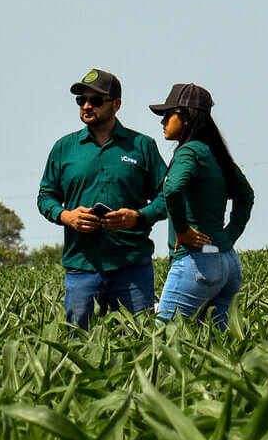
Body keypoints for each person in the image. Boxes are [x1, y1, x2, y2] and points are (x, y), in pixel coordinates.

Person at [36, 69, 169, 327]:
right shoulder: (64, 148)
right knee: (79, 343)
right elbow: (46, 196)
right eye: (81, 100)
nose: (86, 106)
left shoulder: (142, 146)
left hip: (132, 265)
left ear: (116, 104)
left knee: (136, 341)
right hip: (82, 266)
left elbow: (168, 196)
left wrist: (139, 217)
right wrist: (67, 216)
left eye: (96, 100)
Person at [147, 83, 255, 327]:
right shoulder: (216, 153)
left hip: (197, 263)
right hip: (226, 261)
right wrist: (228, 236)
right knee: (218, 346)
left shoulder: (189, 152)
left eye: (167, 114)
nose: (162, 122)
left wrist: (183, 230)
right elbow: (246, 195)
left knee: (164, 338)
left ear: (185, 117)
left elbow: (172, 189)